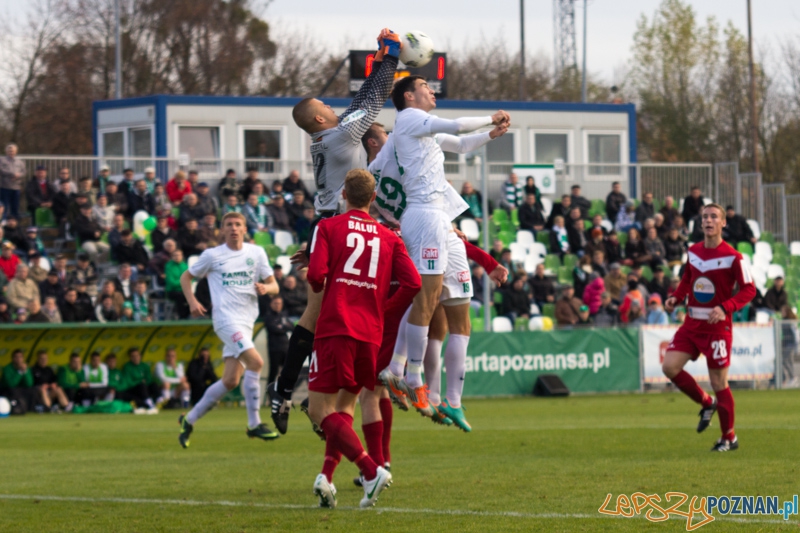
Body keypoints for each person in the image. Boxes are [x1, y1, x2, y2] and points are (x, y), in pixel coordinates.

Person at [270, 35, 423, 434]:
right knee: (322, 315)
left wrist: (379, 66)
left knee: (327, 316)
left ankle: (309, 394)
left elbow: (361, 105)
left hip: (333, 226)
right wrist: (389, 55)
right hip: (336, 227)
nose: (332, 108)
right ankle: (289, 390)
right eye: (325, 107)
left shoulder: (331, 136)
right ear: (319, 119)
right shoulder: (338, 136)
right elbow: (369, 104)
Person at [305, 168, 420, 509]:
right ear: (373, 198)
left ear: (343, 194)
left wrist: (318, 287)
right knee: (344, 407)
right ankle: (326, 476)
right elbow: (412, 284)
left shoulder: (327, 227)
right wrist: (383, 308)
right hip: (369, 333)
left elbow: (315, 275)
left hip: (336, 326)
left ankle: (371, 469)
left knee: (317, 409)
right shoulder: (389, 237)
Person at [178, 211, 280, 447]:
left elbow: (274, 285)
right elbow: (186, 277)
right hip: (225, 320)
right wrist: (192, 301)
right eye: (229, 225)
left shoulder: (257, 253)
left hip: (246, 322)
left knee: (231, 380)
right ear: (222, 230)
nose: (233, 228)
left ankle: (188, 419)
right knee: (256, 362)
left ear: (245, 229)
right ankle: (254, 424)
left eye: (238, 224)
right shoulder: (213, 255)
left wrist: (267, 289)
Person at [663, 203, 755, 452]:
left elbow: (749, 289)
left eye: (714, 216)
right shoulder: (693, 251)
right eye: (705, 216)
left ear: (723, 223)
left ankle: (729, 438)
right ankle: (706, 403)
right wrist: (676, 297)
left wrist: (726, 307)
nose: (708, 220)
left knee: (719, 382)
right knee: (669, 367)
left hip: (717, 328)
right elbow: (688, 279)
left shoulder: (734, 257)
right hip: (692, 324)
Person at [264, 296, 293, 385]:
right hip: (274, 348)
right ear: (271, 304)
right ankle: (270, 393)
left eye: (279, 303)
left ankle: (283, 393)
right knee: (273, 372)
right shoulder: (268, 316)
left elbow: (291, 327)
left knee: (287, 372)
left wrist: (282, 327)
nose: (278, 305)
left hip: (286, 347)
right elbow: (274, 329)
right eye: (275, 303)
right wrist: (284, 327)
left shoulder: (284, 315)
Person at [0, 143, 25, 219]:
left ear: (16, 151)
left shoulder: (20, 162)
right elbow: (1, 170)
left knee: (15, 207)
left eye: (13, 151)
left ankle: (14, 224)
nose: (11, 152)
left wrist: (18, 175)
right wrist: (12, 174)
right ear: (6, 151)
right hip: (5, 187)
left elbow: (24, 172)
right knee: (4, 207)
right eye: (9, 151)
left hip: (16, 187)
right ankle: (4, 223)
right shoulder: (1, 160)